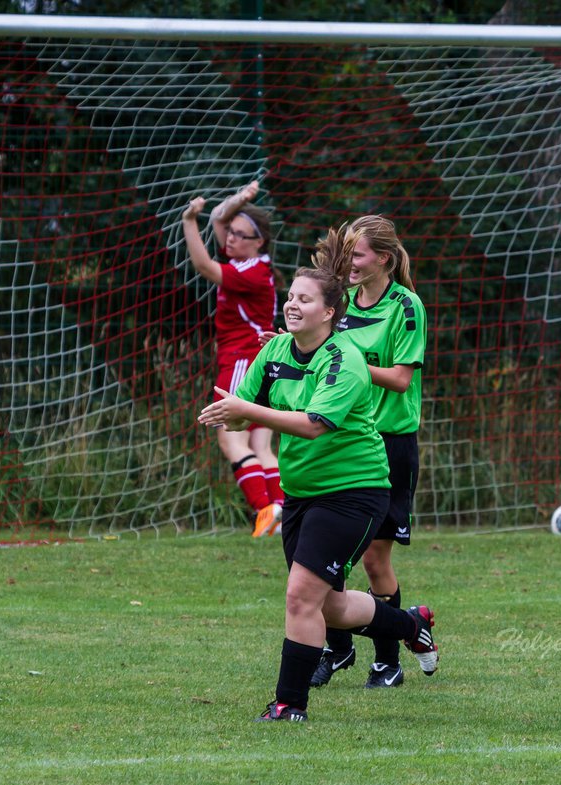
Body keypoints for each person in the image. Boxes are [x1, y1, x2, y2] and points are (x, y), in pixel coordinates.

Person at [197, 226, 438, 722]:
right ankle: (409, 625)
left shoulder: (344, 358)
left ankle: (289, 704)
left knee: (300, 596)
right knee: (327, 606)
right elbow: (249, 409)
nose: (291, 305)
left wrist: (249, 412)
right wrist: (231, 413)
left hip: (353, 491)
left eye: (304, 299)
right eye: (290, 297)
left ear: (330, 312)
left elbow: (312, 426)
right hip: (303, 491)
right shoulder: (276, 351)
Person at [310, 214, 429, 691]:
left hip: (389, 445)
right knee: (326, 555)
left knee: (373, 561)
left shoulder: (406, 306)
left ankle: (386, 662)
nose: (349, 264)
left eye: (357, 255)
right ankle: (337, 649)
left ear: (382, 257)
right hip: (345, 440)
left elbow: (401, 378)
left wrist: (350, 360)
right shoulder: (340, 304)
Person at [182, 181, 284, 537]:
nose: (232, 239)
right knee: (259, 446)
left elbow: (204, 265)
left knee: (231, 441)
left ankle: (264, 512)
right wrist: (240, 199)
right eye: (232, 234)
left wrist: (187, 222)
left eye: (241, 235)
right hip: (261, 361)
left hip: (244, 361)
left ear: (259, 242)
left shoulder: (250, 271)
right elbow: (219, 219)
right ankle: (281, 512)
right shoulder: (252, 263)